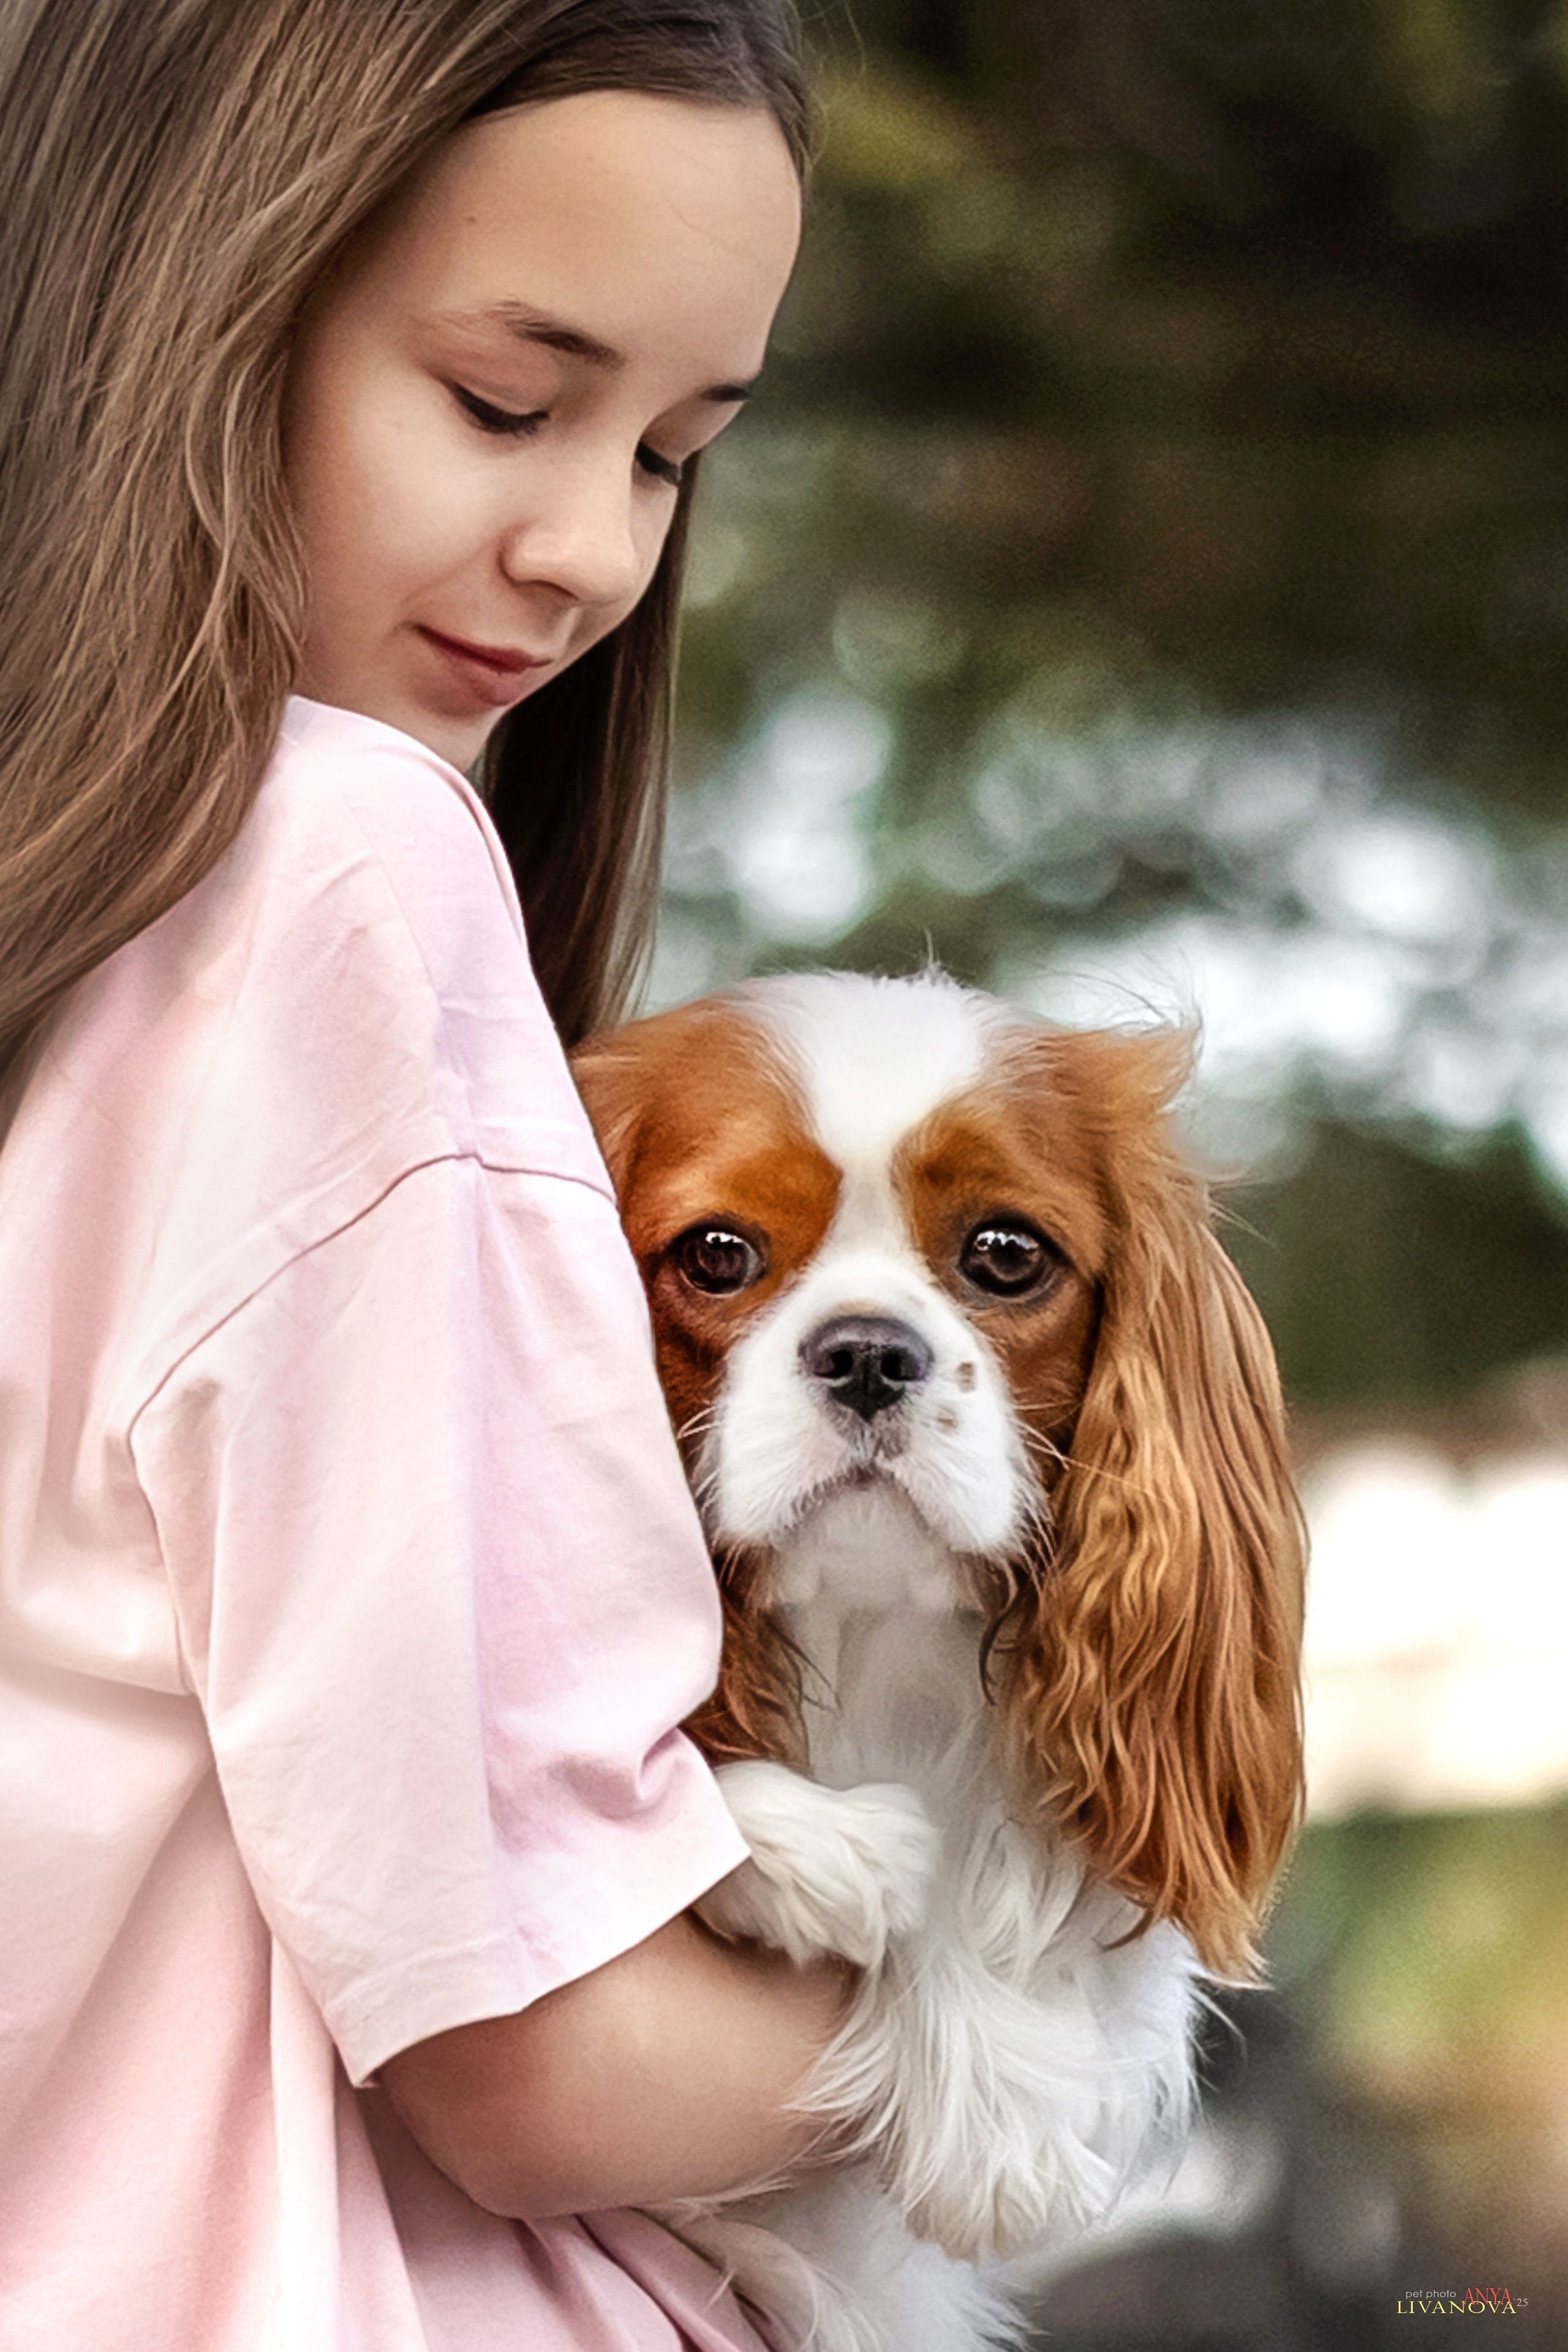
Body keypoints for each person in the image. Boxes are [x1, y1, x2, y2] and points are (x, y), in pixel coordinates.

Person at [0, 3, 848, 2345]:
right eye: (506, 400)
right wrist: (1042, 2035)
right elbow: (536, 2053)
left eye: (678, 452)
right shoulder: (336, 868)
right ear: (191, 292)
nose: (590, 553)